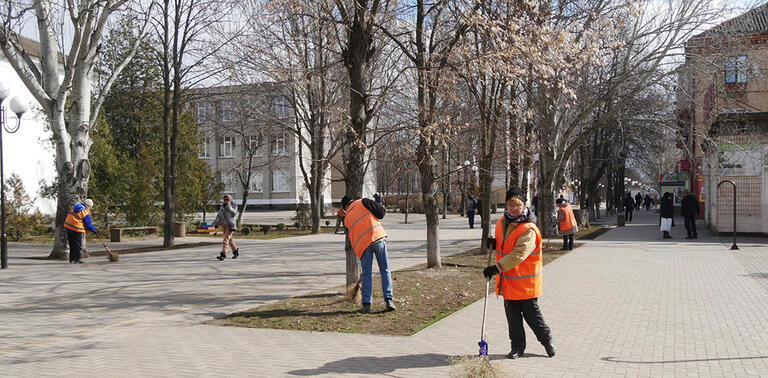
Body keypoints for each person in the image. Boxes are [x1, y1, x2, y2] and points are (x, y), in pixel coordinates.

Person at [483, 187, 555, 360]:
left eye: (518, 205)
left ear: (524, 205)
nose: (514, 208)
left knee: (533, 319)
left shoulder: (529, 229)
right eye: (510, 204)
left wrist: (497, 268)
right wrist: (492, 243)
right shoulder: (502, 222)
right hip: (508, 283)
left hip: (525, 285)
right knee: (513, 320)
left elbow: (519, 254)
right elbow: (502, 245)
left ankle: (547, 341)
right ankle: (517, 347)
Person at [342, 195, 395, 313]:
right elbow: (381, 213)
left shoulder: (346, 219)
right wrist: (378, 203)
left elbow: (350, 237)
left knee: (366, 274)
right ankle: (389, 300)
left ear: (345, 208)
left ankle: (366, 304)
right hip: (377, 238)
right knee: (385, 270)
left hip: (364, 246)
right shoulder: (363, 202)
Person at [64, 199, 98, 264]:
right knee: (77, 245)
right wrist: (94, 231)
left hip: (68, 228)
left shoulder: (73, 207)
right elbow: (88, 224)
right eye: (90, 207)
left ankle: (72, 259)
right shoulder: (84, 211)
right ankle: (77, 259)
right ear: (88, 206)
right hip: (76, 229)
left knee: (72, 244)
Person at [213, 194, 239, 260]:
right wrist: (216, 223)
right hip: (223, 225)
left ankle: (223, 254)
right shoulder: (222, 207)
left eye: (227, 199)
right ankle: (235, 251)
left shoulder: (234, 205)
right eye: (224, 199)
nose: (225, 201)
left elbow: (234, 213)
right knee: (229, 240)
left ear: (230, 200)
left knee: (225, 240)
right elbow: (219, 215)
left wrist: (228, 206)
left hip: (230, 225)